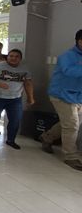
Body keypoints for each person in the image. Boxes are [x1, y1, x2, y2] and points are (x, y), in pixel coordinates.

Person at [39, 29, 82, 171]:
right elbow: (69, 71)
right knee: (72, 125)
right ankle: (71, 156)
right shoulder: (67, 56)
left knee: (71, 123)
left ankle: (47, 137)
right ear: (78, 41)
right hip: (61, 95)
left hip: (78, 96)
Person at [0, 49, 34, 150]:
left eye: (16, 56)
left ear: (20, 58)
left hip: (15, 98)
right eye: (11, 56)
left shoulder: (25, 68)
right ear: (7, 57)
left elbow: (28, 83)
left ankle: (11, 140)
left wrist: (30, 97)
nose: (13, 58)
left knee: (15, 119)